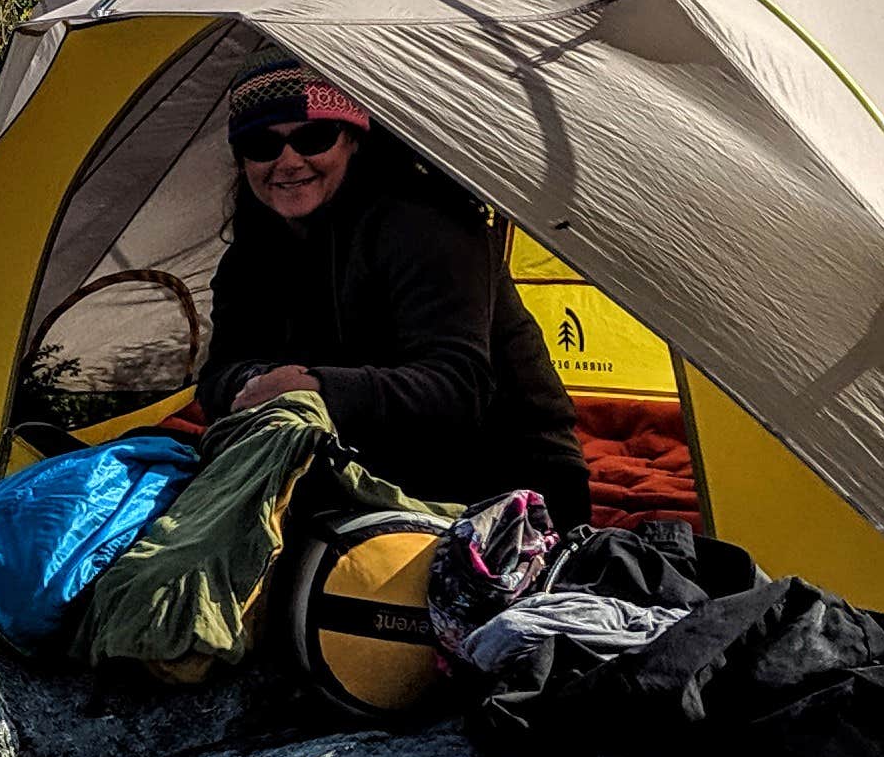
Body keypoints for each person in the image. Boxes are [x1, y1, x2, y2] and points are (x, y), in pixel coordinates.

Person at [195, 59, 591, 527]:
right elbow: (219, 373)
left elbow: (457, 390)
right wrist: (257, 380)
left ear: (353, 139)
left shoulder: (428, 225)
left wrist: (317, 387)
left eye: (312, 139)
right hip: (360, 466)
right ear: (243, 161)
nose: (287, 162)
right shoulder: (251, 255)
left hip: (509, 480)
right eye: (262, 145)